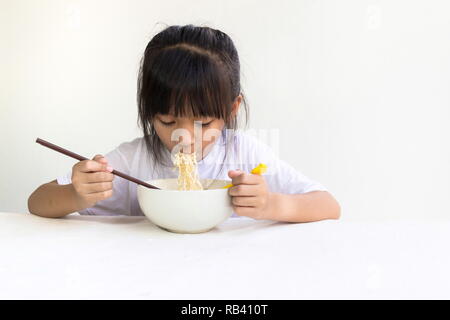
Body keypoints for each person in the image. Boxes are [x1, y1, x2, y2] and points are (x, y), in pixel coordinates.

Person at [28, 24, 340, 222]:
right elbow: (37, 202)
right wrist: (78, 194)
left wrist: (272, 204)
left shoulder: (243, 154)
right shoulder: (133, 160)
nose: (186, 137)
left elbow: (328, 206)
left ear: (232, 109)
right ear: (150, 112)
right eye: (167, 120)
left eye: (204, 122)